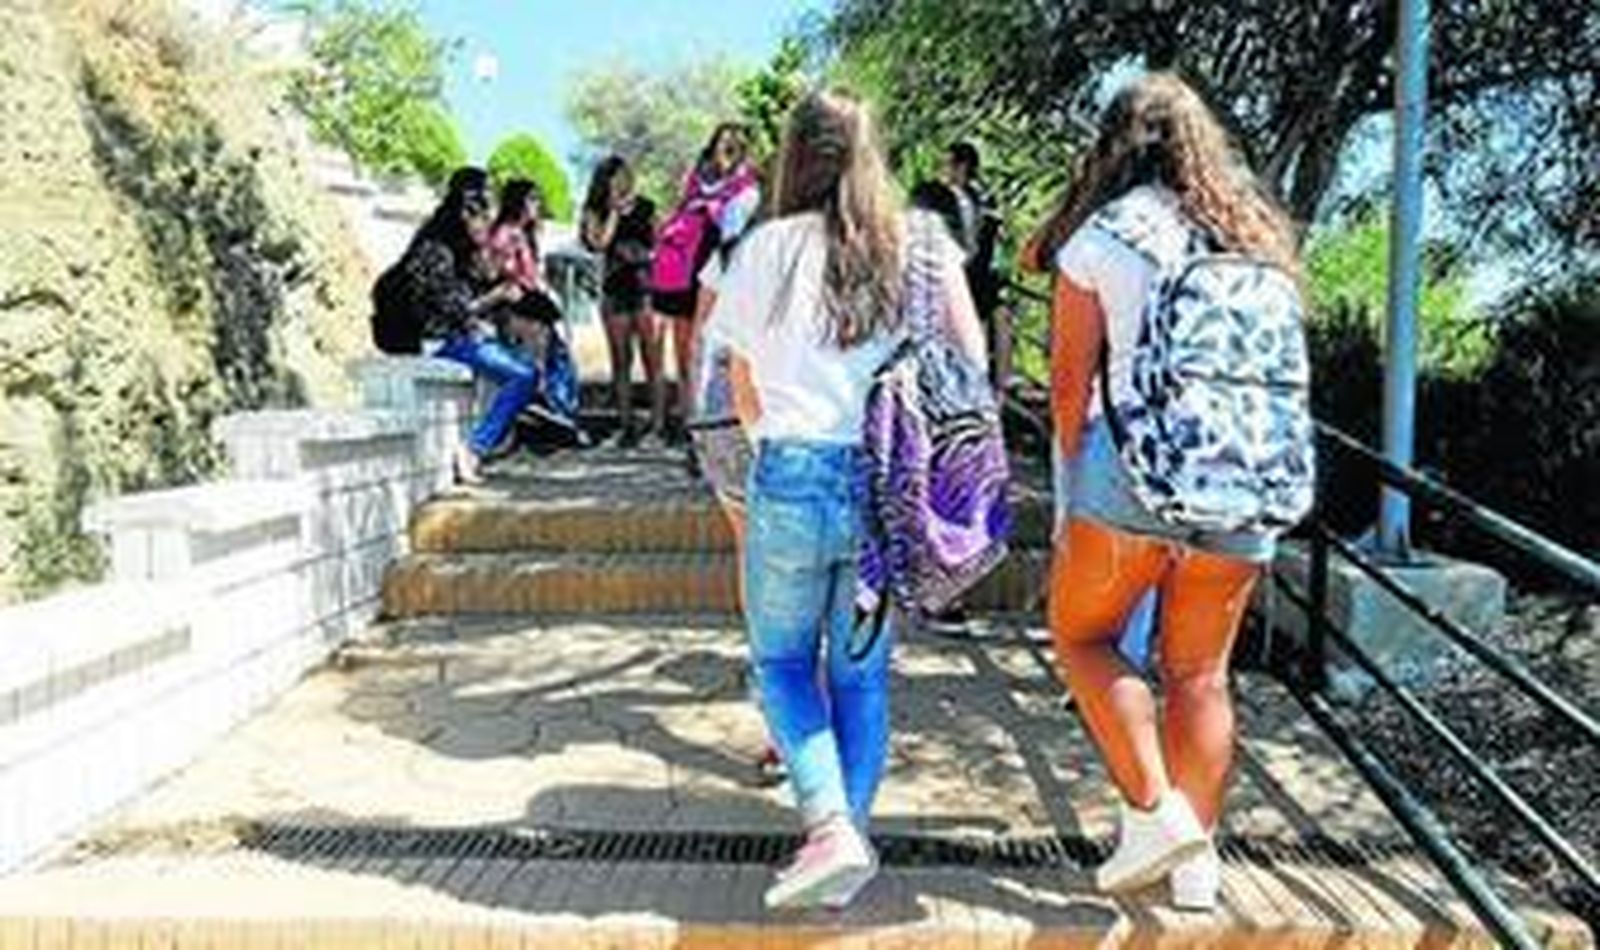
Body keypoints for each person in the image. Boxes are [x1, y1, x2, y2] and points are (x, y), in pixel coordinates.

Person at [1021, 73, 1304, 911]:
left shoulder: (1104, 235)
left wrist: (1074, 491)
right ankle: (1197, 868)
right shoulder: (1255, 232)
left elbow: (1069, 387)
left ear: (1113, 145)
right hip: (1248, 476)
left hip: (1134, 475)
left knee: (1081, 636)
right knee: (1202, 675)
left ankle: (1155, 810)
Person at [704, 90, 984, 911]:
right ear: (872, 156)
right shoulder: (921, 243)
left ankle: (827, 827)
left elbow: (740, 383)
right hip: (883, 485)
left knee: (783, 662)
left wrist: (776, 447)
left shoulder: (762, 248)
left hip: (789, 473)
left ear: (794, 155)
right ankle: (844, 849)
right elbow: (968, 365)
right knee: (861, 679)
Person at [372, 167, 537, 483]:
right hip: (435, 342)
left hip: (453, 336)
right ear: (465, 210)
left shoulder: (452, 245)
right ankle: (474, 448)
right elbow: (453, 308)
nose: (488, 219)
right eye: (482, 211)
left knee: (522, 369)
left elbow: (465, 301)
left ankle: (486, 442)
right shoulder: (436, 249)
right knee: (523, 376)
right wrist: (496, 296)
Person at [654, 123, 761, 446]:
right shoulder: (696, 181)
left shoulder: (748, 187)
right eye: (722, 142)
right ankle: (692, 430)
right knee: (689, 356)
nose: (727, 148)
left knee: (727, 356)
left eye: (735, 143)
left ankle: (722, 432)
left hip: (724, 277)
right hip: (685, 277)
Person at [485, 178, 586, 445]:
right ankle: (548, 408)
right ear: (518, 202)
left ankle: (558, 411)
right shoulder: (507, 233)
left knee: (558, 356)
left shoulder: (525, 235)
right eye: (532, 199)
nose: (536, 205)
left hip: (532, 305)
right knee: (542, 353)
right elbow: (498, 272)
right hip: (515, 306)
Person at [582, 157, 663, 448]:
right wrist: (614, 213)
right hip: (615, 290)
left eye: (627, 175)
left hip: (645, 288)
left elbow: (661, 240)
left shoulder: (646, 207)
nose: (624, 181)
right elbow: (599, 243)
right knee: (621, 360)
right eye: (616, 177)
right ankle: (627, 426)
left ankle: (658, 426)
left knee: (652, 358)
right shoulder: (595, 210)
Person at [944, 141, 1012, 395]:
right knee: (992, 331)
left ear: (961, 167)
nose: (946, 171)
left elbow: (964, 244)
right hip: (991, 273)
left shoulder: (957, 199)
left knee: (965, 336)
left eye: (949, 164)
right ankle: (997, 391)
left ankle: (969, 391)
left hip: (969, 275)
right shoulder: (986, 196)